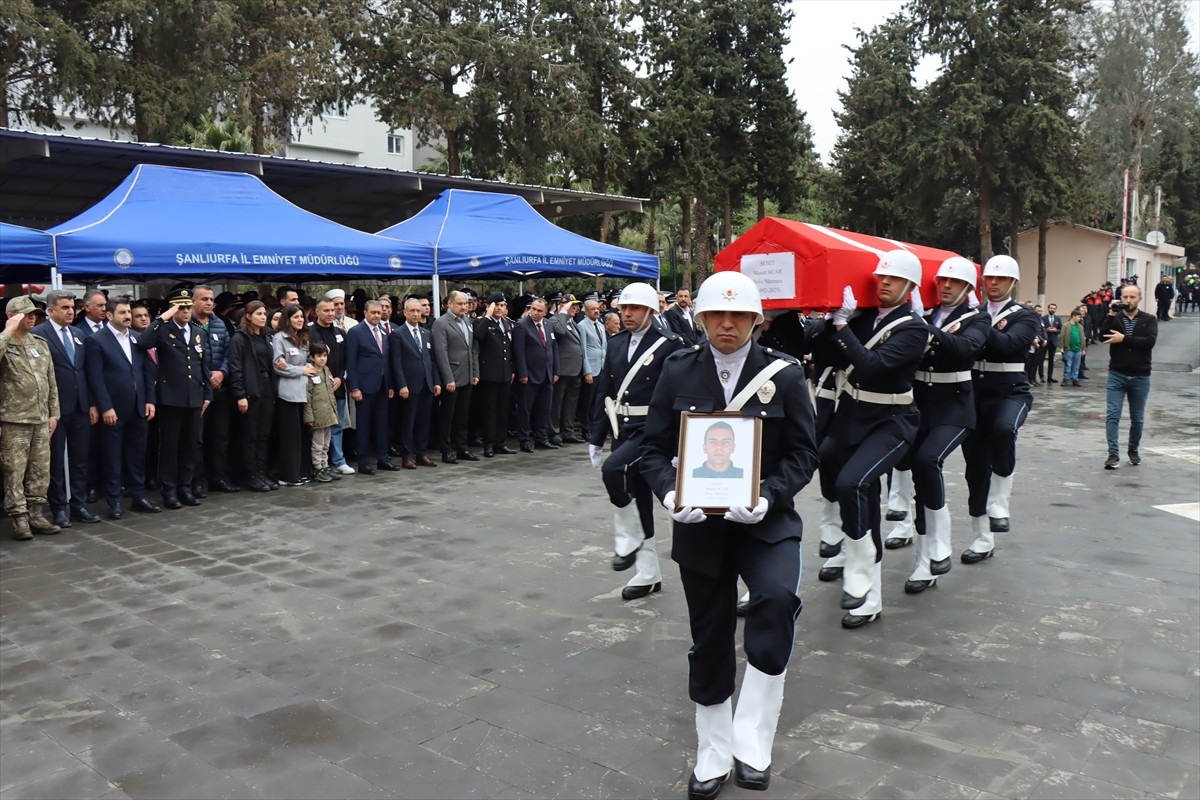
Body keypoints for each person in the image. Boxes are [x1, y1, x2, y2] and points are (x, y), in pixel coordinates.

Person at [640, 271, 818, 798]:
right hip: (700, 528)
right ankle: (713, 750)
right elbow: (653, 450)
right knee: (710, 637)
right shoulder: (677, 371)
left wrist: (767, 496)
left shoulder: (783, 375)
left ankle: (753, 742)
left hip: (765, 521)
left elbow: (805, 453)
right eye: (717, 314)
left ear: (756, 321)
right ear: (699, 319)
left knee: (777, 599)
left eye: (738, 316)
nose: (726, 324)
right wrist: (670, 496)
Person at [816, 250, 928, 628]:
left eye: (893, 279)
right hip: (852, 416)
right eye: (881, 277)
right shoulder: (861, 315)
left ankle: (864, 582)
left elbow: (872, 366)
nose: (884, 282)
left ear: (910, 286)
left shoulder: (914, 328)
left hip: (893, 420)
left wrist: (843, 326)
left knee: (856, 482)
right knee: (829, 461)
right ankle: (844, 547)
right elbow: (819, 351)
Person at [588, 282, 683, 600]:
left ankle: (627, 542)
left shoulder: (669, 345)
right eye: (624, 308)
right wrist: (596, 437)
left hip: (656, 433)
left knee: (615, 471)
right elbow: (605, 391)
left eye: (635, 308)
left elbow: (682, 396)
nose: (627, 313)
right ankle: (648, 573)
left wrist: (681, 445)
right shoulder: (615, 344)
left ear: (651, 312)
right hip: (625, 431)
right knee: (638, 496)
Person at [903, 257, 989, 594]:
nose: (946, 287)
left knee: (928, 459)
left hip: (955, 407)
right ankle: (924, 562)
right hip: (920, 404)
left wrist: (924, 327)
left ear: (968, 288)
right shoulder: (923, 313)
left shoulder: (977, 318)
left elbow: (964, 348)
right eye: (942, 281)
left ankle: (941, 542)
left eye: (954, 283)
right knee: (918, 480)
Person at [960, 255, 1041, 563]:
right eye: (989, 278)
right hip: (974, 395)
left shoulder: (1025, 315)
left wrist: (974, 322)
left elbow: (1007, 345)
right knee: (975, 468)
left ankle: (1000, 504)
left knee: (1004, 429)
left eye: (1000, 279)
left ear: (1013, 283)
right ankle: (982, 536)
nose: (993, 283)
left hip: (1010, 392)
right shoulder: (975, 311)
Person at [83, 298, 161, 519]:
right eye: (122, 312)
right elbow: (95, 378)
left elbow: (147, 372)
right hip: (114, 410)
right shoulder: (96, 341)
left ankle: (138, 497)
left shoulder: (137, 339)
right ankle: (114, 501)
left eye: (128, 312)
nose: (128, 316)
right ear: (109, 316)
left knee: (137, 455)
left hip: (138, 407)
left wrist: (149, 400)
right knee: (113, 457)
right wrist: (105, 406)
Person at [136, 289, 212, 509]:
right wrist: (163, 317)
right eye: (181, 307)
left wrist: (207, 393)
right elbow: (143, 342)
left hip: (195, 396)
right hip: (171, 397)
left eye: (188, 307)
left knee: (191, 445)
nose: (186, 311)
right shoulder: (163, 330)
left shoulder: (199, 332)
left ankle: (185, 487)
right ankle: (169, 489)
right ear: (173, 308)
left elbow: (203, 365)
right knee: (170, 446)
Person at [32, 290, 100, 527]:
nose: (71, 312)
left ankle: (78, 504)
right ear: (51, 311)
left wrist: (92, 403)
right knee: (56, 461)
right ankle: (59, 507)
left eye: (72, 307)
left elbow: (87, 372)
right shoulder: (38, 335)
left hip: (81, 406)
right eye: (65, 308)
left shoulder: (79, 334)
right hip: (55, 409)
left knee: (80, 459)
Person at [1, 296, 62, 539]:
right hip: (14, 419)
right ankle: (19, 519)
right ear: (12, 316)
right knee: (14, 471)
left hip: (40, 418)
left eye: (34, 314)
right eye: (26, 314)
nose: (32, 317)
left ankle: (36, 514)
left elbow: (51, 380)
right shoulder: (5, 342)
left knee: (40, 470)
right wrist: (7, 331)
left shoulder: (40, 343)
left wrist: (53, 413)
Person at [1100, 284, 1158, 469]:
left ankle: (1133, 449)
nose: (1128, 300)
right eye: (1125, 297)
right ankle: (1113, 454)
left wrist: (1123, 339)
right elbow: (1102, 336)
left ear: (1139, 299)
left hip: (1140, 376)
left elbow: (1149, 342)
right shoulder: (1115, 318)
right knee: (1112, 415)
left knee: (1137, 418)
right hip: (1117, 374)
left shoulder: (1149, 319)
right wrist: (1109, 314)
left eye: (1132, 297)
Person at [190, 285, 236, 495]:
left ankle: (219, 477)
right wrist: (206, 376)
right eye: (204, 299)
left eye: (211, 299)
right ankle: (198, 481)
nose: (209, 303)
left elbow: (229, 353)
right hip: (196, 390)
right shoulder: (185, 324)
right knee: (196, 438)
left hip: (220, 389)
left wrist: (222, 373)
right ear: (193, 302)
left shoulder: (219, 324)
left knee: (220, 437)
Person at [228, 301, 278, 492]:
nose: (263, 317)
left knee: (264, 435)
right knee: (250, 435)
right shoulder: (239, 338)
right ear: (248, 316)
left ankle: (262, 471)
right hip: (250, 389)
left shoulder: (266, 336)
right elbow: (236, 367)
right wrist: (240, 394)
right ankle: (250, 475)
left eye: (265, 313)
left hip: (267, 387)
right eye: (258, 313)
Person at [344, 299, 397, 474]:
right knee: (364, 425)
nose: (376, 315)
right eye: (373, 312)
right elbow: (351, 362)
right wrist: (354, 387)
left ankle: (383, 458)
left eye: (379, 312)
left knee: (382, 424)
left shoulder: (382, 331)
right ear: (365, 313)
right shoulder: (356, 332)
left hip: (382, 385)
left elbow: (386, 359)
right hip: (364, 387)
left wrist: (389, 384)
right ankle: (363, 461)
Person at [431, 290, 481, 463]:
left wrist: (475, 372)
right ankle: (446, 449)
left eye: (465, 303)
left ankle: (462, 447)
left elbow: (472, 349)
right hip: (452, 376)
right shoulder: (441, 323)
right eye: (460, 303)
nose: (464, 307)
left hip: (467, 375)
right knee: (448, 415)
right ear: (449, 304)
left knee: (463, 415)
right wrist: (448, 378)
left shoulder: (467, 321)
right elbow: (440, 353)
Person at [390, 297, 441, 468]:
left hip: (426, 384)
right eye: (412, 310)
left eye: (418, 311)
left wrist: (436, 381)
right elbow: (396, 362)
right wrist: (401, 385)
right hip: (409, 386)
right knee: (408, 422)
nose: (416, 314)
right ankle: (407, 455)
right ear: (404, 312)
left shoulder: (427, 333)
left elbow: (432, 360)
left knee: (424, 421)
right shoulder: (397, 334)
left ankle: (422, 453)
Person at [272, 304, 317, 486]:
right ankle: (288, 475)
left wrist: (302, 368)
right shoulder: (279, 338)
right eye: (296, 317)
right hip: (287, 393)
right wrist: (301, 370)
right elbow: (278, 365)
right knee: (290, 437)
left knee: (302, 435)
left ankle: (301, 470)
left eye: (302, 317)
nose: (300, 320)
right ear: (287, 319)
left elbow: (306, 363)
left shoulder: (303, 339)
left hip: (303, 392)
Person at [309, 296, 354, 476]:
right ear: (316, 311)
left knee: (337, 425)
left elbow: (346, 360)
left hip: (337, 387)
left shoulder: (340, 332)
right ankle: (319, 464)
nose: (330, 313)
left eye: (332, 310)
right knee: (319, 429)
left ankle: (338, 460)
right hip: (318, 389)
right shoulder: (309, 332)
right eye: (326, 310)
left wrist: (340, 378)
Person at [513, 298, 561, 452]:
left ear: (545, 312)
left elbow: (553, 348)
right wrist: (523, 373)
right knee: (525, 410)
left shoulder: (548, 324)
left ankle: (542, 438)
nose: (535, 312)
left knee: (544, 408)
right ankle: (525, 440)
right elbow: (518, 352)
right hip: (530, 375)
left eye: (539, 310)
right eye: (533, 308)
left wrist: (556, 370)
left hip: (547, 374)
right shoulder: (521, 325)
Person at [472, 293, 515, 458]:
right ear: (489, 306)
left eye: (502, 305)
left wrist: (512, 369)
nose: (499, 308)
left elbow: (510, 349)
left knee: (503, 410)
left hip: (504, 374)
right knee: (489, 411)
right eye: (496, 305)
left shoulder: (507, 324)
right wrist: (488, 317)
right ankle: (488, 444)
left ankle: (500, 442)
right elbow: (478, 336)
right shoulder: (482, 322)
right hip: (489, 374)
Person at [549, 294, 585, 445]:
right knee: (557, 403)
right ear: (562, 306)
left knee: (570, 403)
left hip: (575, 369)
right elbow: (560, 332)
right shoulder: (555, 320)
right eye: (572, 305)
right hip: (562, 369)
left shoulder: (573, 322)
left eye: (577, 305)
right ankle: (554, 432)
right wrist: (563, 312)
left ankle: (568, 431)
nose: (576, 308)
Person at [303, 342, 339, 482]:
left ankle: (325, 466)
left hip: (328, 414)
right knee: (317, 444)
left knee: (326, 443)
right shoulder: (311, 373)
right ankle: (317, 468)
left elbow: (330, 392)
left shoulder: (326, 370)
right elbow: (308, 396)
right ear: (312, 357)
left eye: (324, 356)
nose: (322, 359)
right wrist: (309, 416)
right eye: (319, 356)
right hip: (317, 415)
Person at [577, 298, 608, 441]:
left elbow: (604, 347)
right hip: (591, 369)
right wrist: (587, 371)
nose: (596, 311)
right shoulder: (582, 326)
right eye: (593, 309)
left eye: (597, 308)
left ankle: (597, 428)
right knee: (587, 401)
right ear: (586, 311)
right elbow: (582, 350)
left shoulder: (600, 325)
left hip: (601, 367)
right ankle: (586, 429)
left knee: (598, 401)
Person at [1060, 309, 1086, 387]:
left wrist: (1083, 348)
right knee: (1068, 365)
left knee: (1076, 365)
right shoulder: (1066, 325)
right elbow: (1062, 337)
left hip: (1078, 349)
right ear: (1073, 316)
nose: (1079, 318)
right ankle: (1066, 379)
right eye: (1078, 317)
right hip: (1069, 348)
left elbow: (1082, 337)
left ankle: (1075, 379)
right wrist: (1062, 347)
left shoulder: (1080, 326)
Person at [1042, 303, 1061, 383]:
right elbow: (1041, 329)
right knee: (1041, 360)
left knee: (1051, 360)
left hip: (1053, 341)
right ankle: (1042, 377)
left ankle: (1050, 377)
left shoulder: (1058, 319)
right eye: (1051, 308)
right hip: (1045, 341)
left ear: (1055, 309)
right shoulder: (1043, 318)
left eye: (1054, 308)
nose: (1052, 309)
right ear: (1048, 308)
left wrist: (1056, 330)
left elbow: (1061, 329)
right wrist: (1047, 329)